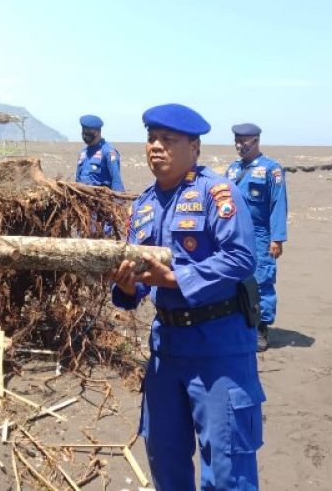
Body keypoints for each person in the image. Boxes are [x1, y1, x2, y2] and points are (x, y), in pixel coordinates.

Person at [107, 103, 265, 490]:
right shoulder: (143, 206)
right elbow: (140, 283)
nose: (156, 147)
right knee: (165, 456)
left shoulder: (216, 192)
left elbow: (241, 257)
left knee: (227, 468)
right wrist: (127, 287)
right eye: (151, 139)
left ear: (194, 147)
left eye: (168, 139)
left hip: (219, 348)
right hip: (167, 349)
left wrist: (178, 279)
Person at [225, 123, 288, 352]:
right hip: (234, 233)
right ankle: (241, 323)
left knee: (262, 280)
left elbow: (278, 204)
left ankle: (261, 327)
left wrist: (277, 238)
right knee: (235, 277)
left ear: (256, 141)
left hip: (260, 233)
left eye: (243, 141)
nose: (239, 146)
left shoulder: (271, 169)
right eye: (237, 141)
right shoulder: (233, 170)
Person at [75, 114, 124, 191]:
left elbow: (116, 181)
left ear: (97, 132)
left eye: (87, 131)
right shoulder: (83, 153)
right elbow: (77, 181)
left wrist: (118, 197)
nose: (84, 133)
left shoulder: (108, 152)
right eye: (83, 130)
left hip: (100, 196)